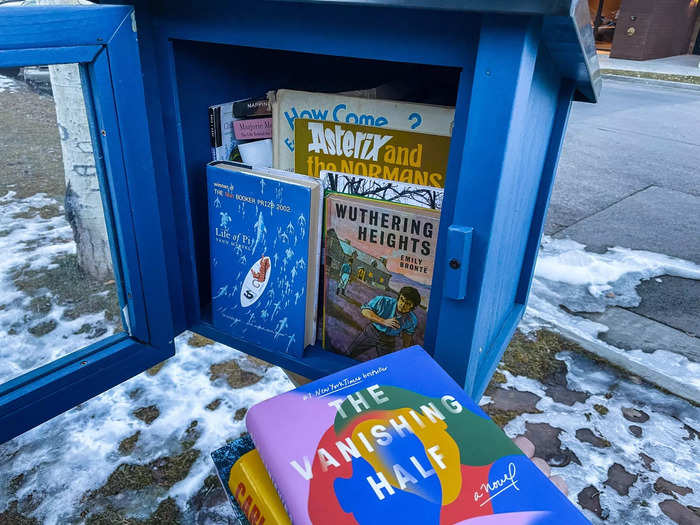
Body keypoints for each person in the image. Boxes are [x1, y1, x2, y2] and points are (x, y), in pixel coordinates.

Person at [347, 286, 421, 359]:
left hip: (388, 341)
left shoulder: (412, 320)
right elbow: (365, 311)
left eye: (408, 303)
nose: (403, 304)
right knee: (349, 353)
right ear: (398, 297)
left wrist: (405, 348)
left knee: (386, 365)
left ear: (413, 307)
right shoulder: (383, 301)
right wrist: (384, 321)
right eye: (402, 299)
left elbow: (407, 334)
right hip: (371, 332)